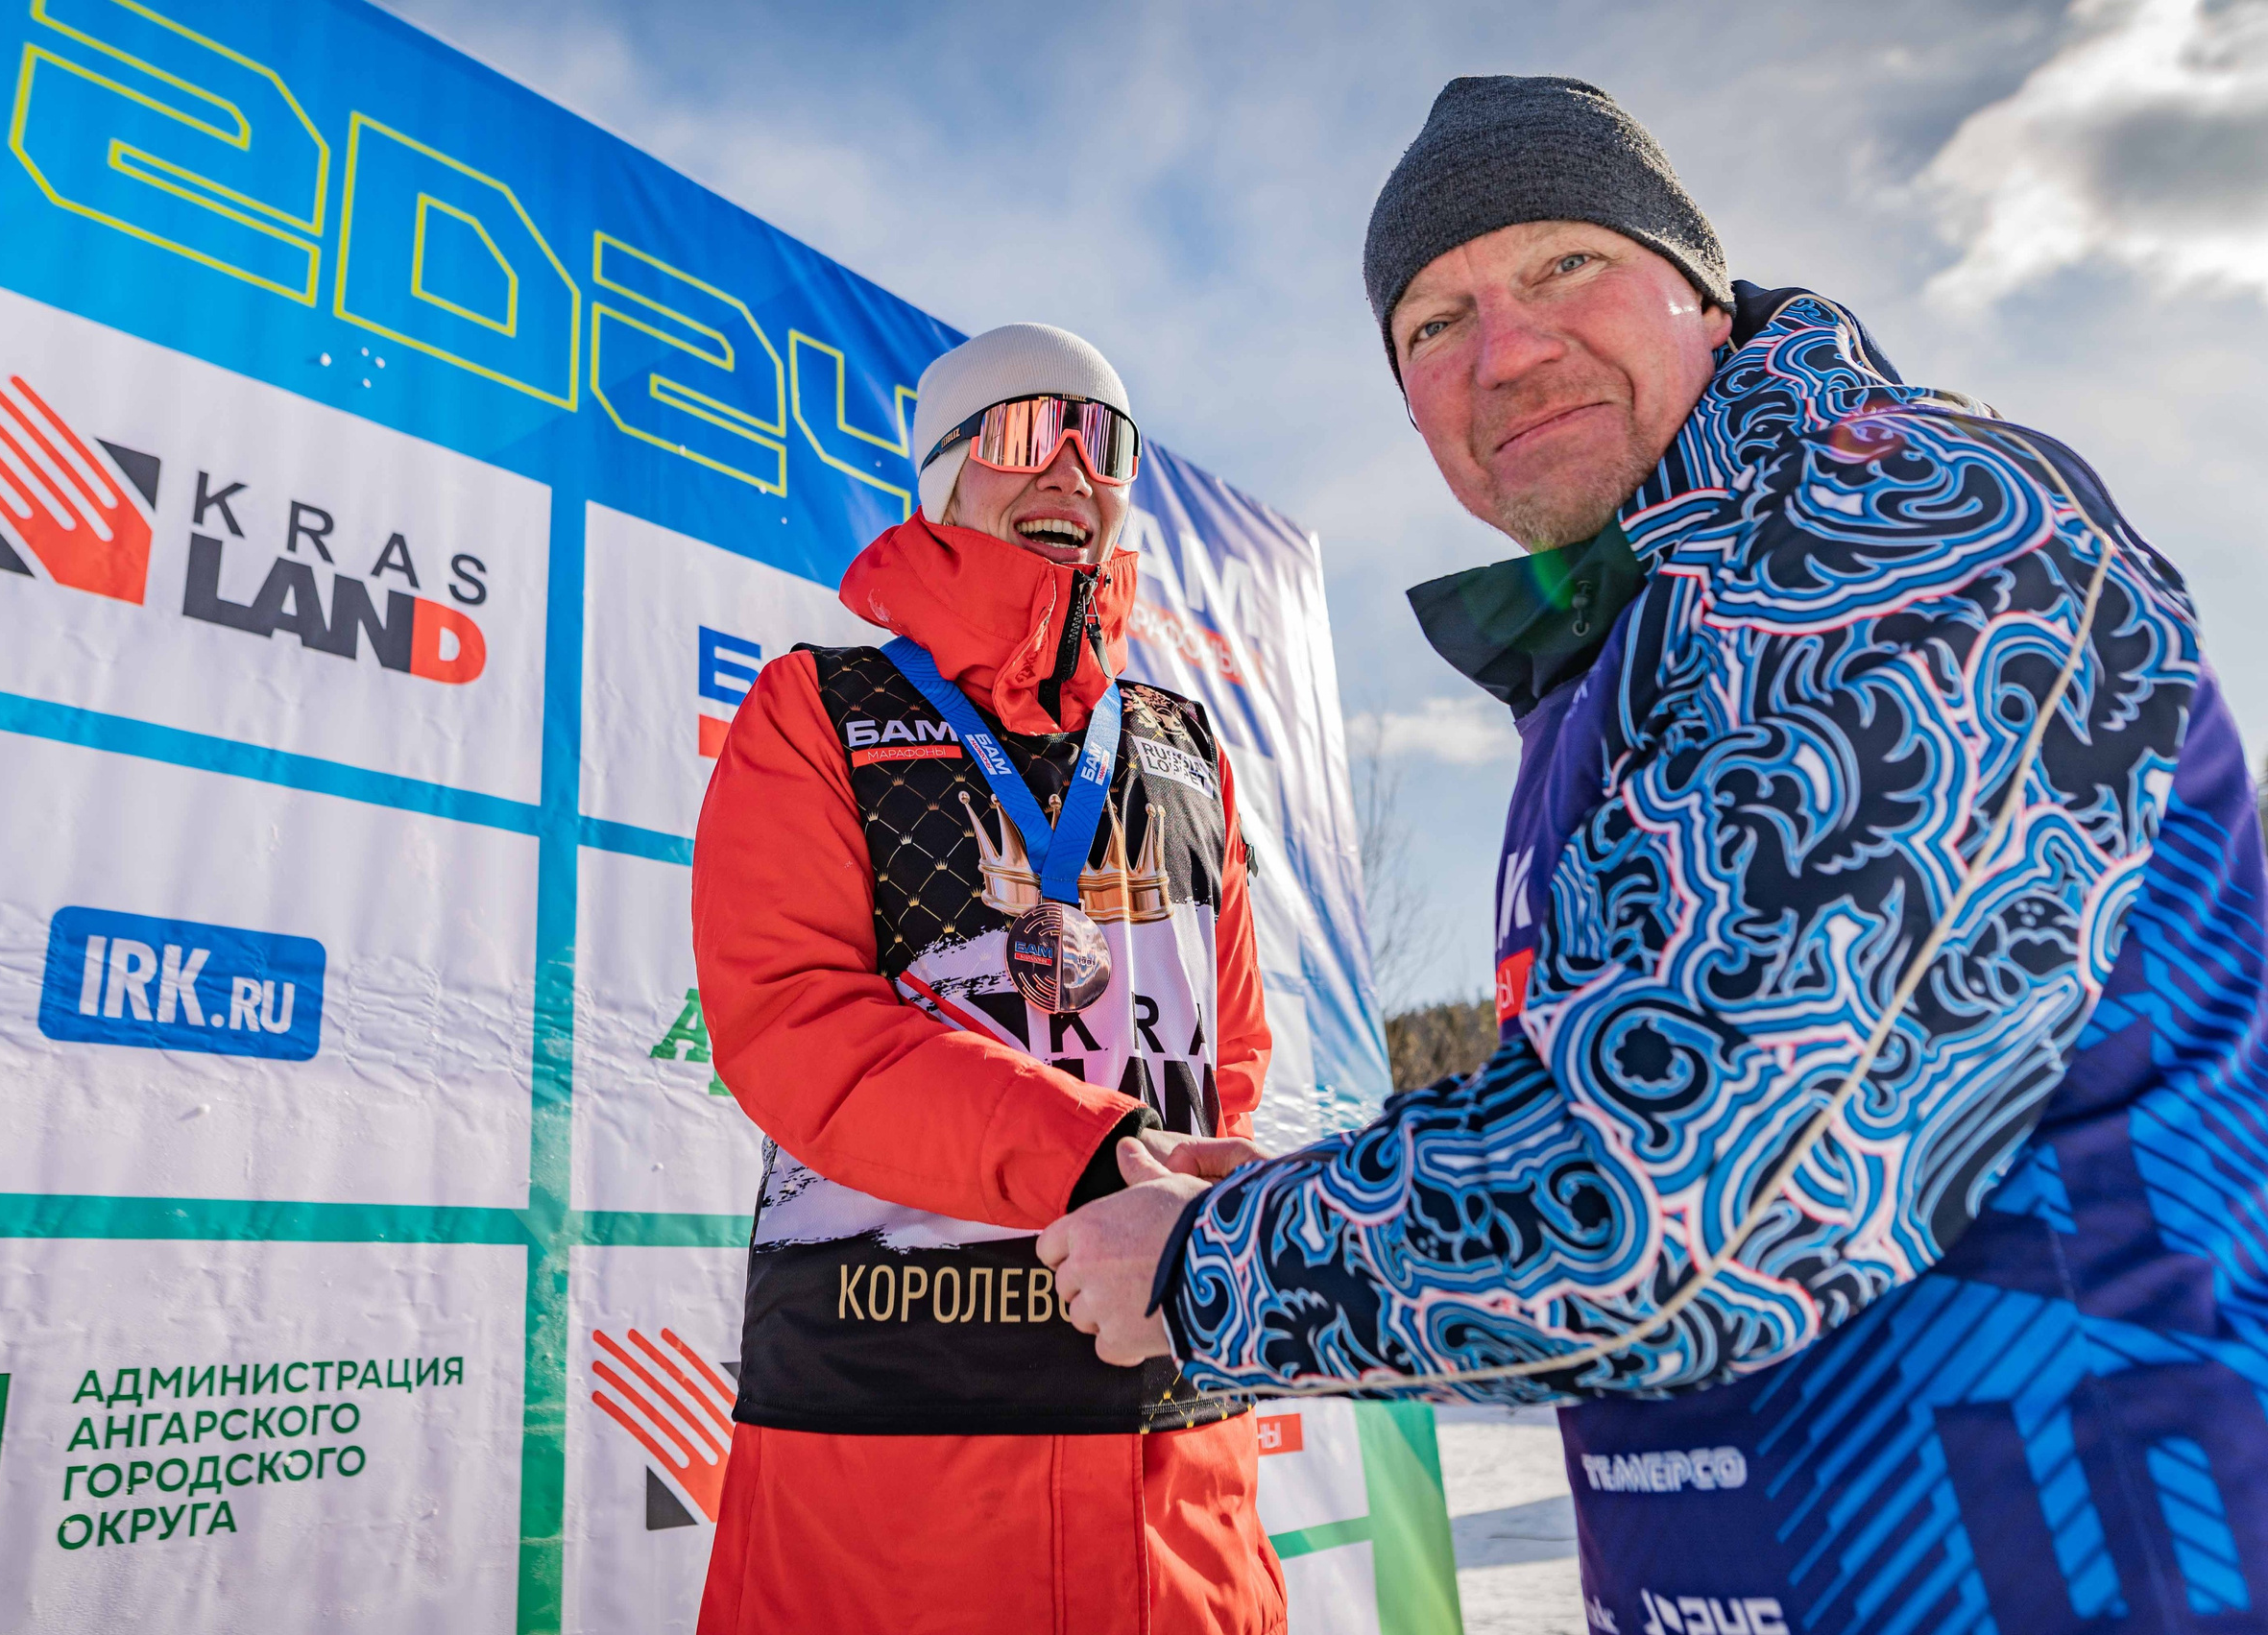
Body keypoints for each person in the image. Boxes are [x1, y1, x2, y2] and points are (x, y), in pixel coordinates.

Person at [1043, 76, 2268, 1631]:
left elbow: (1686, 1200)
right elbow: (1625, 1099)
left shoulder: (1903, 523)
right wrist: (1305, 1193)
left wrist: (1208, 1264)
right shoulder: (1629, 648)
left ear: (1700, 288)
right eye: (1435, 323)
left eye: (1564, 264)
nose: (1505, 351)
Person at [689, 323, 1287, 1635]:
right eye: (1025, 431)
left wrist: (1182, 1202)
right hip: (897, 1439)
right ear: (943, 476)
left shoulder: (1186, 746)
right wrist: (1093, 1157)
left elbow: (1230, 1052)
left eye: (1105, 440)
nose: (1071, 467)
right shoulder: (816, 708)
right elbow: (795, 1026)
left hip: (1168, 1443)